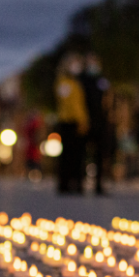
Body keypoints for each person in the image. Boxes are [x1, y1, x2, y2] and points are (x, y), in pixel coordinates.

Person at [55, 54, 89, 194]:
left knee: (78, 155)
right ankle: (65, 184)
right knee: (68, 155)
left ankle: (76, 183)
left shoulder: (76, 83)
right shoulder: (63, 83)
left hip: (77, 122)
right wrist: (81, 120)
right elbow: (71, 104)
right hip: (68, 122)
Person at [80, 53, 111, 195]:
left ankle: (99, 184)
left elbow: (108, 98)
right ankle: (79, 183)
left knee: (100, 154)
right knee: (82, 153)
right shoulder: (81, 79)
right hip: (85, 121)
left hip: (100, 122)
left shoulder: (102, 79)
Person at [23, 110, 44, 181]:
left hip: (34, 144)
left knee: (35, 158)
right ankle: (29, 173)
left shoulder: (35, 123)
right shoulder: (31, 123)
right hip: (30, 144)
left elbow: (38, 132)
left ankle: (37, 173)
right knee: (31, 158)